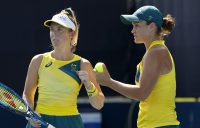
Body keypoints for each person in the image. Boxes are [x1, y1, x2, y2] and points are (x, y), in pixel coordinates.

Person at [95, 6, 180, 128]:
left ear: (151, 26)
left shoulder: (156, 52)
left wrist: (108, 82)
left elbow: (141, 93)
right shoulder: (154, 51)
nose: (132, 30)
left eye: (137, 25)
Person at [23, 8, 105, 128]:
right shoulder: (38, 60)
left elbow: (99, 104)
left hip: (70, 123)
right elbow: (27, 94)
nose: (54, 34)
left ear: (71, 33)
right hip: (40, 121)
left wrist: (89, 86)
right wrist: (29, 113)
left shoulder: (83, 64)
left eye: (59, 29)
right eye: (51, 29)